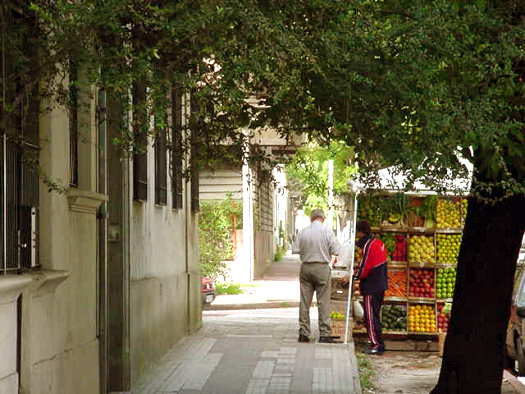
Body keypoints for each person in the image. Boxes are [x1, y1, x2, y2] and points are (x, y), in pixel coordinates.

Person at [292, 209, 341, 343]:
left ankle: (303, 333)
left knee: (304, 302)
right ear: (323, 218)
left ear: (311, 219)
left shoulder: (303, 232)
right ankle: (324, 334)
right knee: (323, 302)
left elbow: (295, 249)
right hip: (322, 268)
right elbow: (337, 250)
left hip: (306, 267)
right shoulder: (327, 231)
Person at [342, 220, 388, 354]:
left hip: (371, 287)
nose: (357, 236)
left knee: (370, 316)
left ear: (361, 232)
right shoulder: (379, 243)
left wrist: (353, 277)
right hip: (380, 285)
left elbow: (365, 266)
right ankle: (379, 344)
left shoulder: (369, 245)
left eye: (357, 233)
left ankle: (376, 345)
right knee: (375, 315)